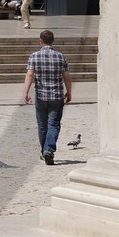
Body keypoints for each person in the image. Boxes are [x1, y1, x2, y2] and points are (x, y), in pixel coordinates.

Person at [21, 29, 72, 165]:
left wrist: (26, 92)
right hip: (57, 95)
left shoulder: (34, 56)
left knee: (42, 125)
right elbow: (66, 76)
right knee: (54, 124)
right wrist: (69, 92)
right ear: (52, 41)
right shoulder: (60, 56)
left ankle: (45, 151)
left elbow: (30, 75)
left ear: (40, 41)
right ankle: (48, 150)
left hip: (41, 95)